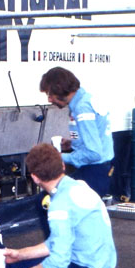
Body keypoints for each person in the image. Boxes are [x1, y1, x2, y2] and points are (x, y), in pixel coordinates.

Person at [41, 67, 114, 198]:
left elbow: (94, 153)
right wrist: (72, 144)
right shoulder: (86, 100)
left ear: (60, 89)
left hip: (93, 172)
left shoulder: (82, 108)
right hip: (101, 170)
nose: (49, 100)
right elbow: (95, 138)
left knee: (45, 201)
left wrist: (59, 157)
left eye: (50, 95)